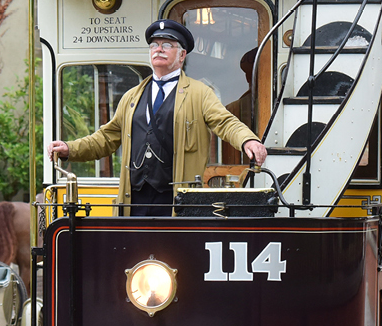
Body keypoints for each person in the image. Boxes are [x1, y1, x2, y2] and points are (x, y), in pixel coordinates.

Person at [47, 19, 269, 216]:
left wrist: (247, 140)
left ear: (182, 55)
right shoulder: (132, 96)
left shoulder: (199, 93)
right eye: (154, 45)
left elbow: (224, 122)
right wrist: (69, 149)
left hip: (174, 199)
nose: (158, 49)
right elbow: (106, 138)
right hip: (134, 199)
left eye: (167, 45)